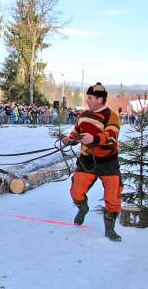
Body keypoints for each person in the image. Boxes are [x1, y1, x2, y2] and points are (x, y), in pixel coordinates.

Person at [62, 82, 122, 242]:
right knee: (76, 191)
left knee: (113, 197)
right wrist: (70, 139)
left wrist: (95, 138)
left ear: (100, 99)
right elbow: (76, 132)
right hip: (87, 160)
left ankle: (110, 230)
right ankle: (83, 208)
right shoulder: (83, 115)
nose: (87, 100)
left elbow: (112, 136)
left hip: (108, 161)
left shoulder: (111, 115)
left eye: (90, 97)